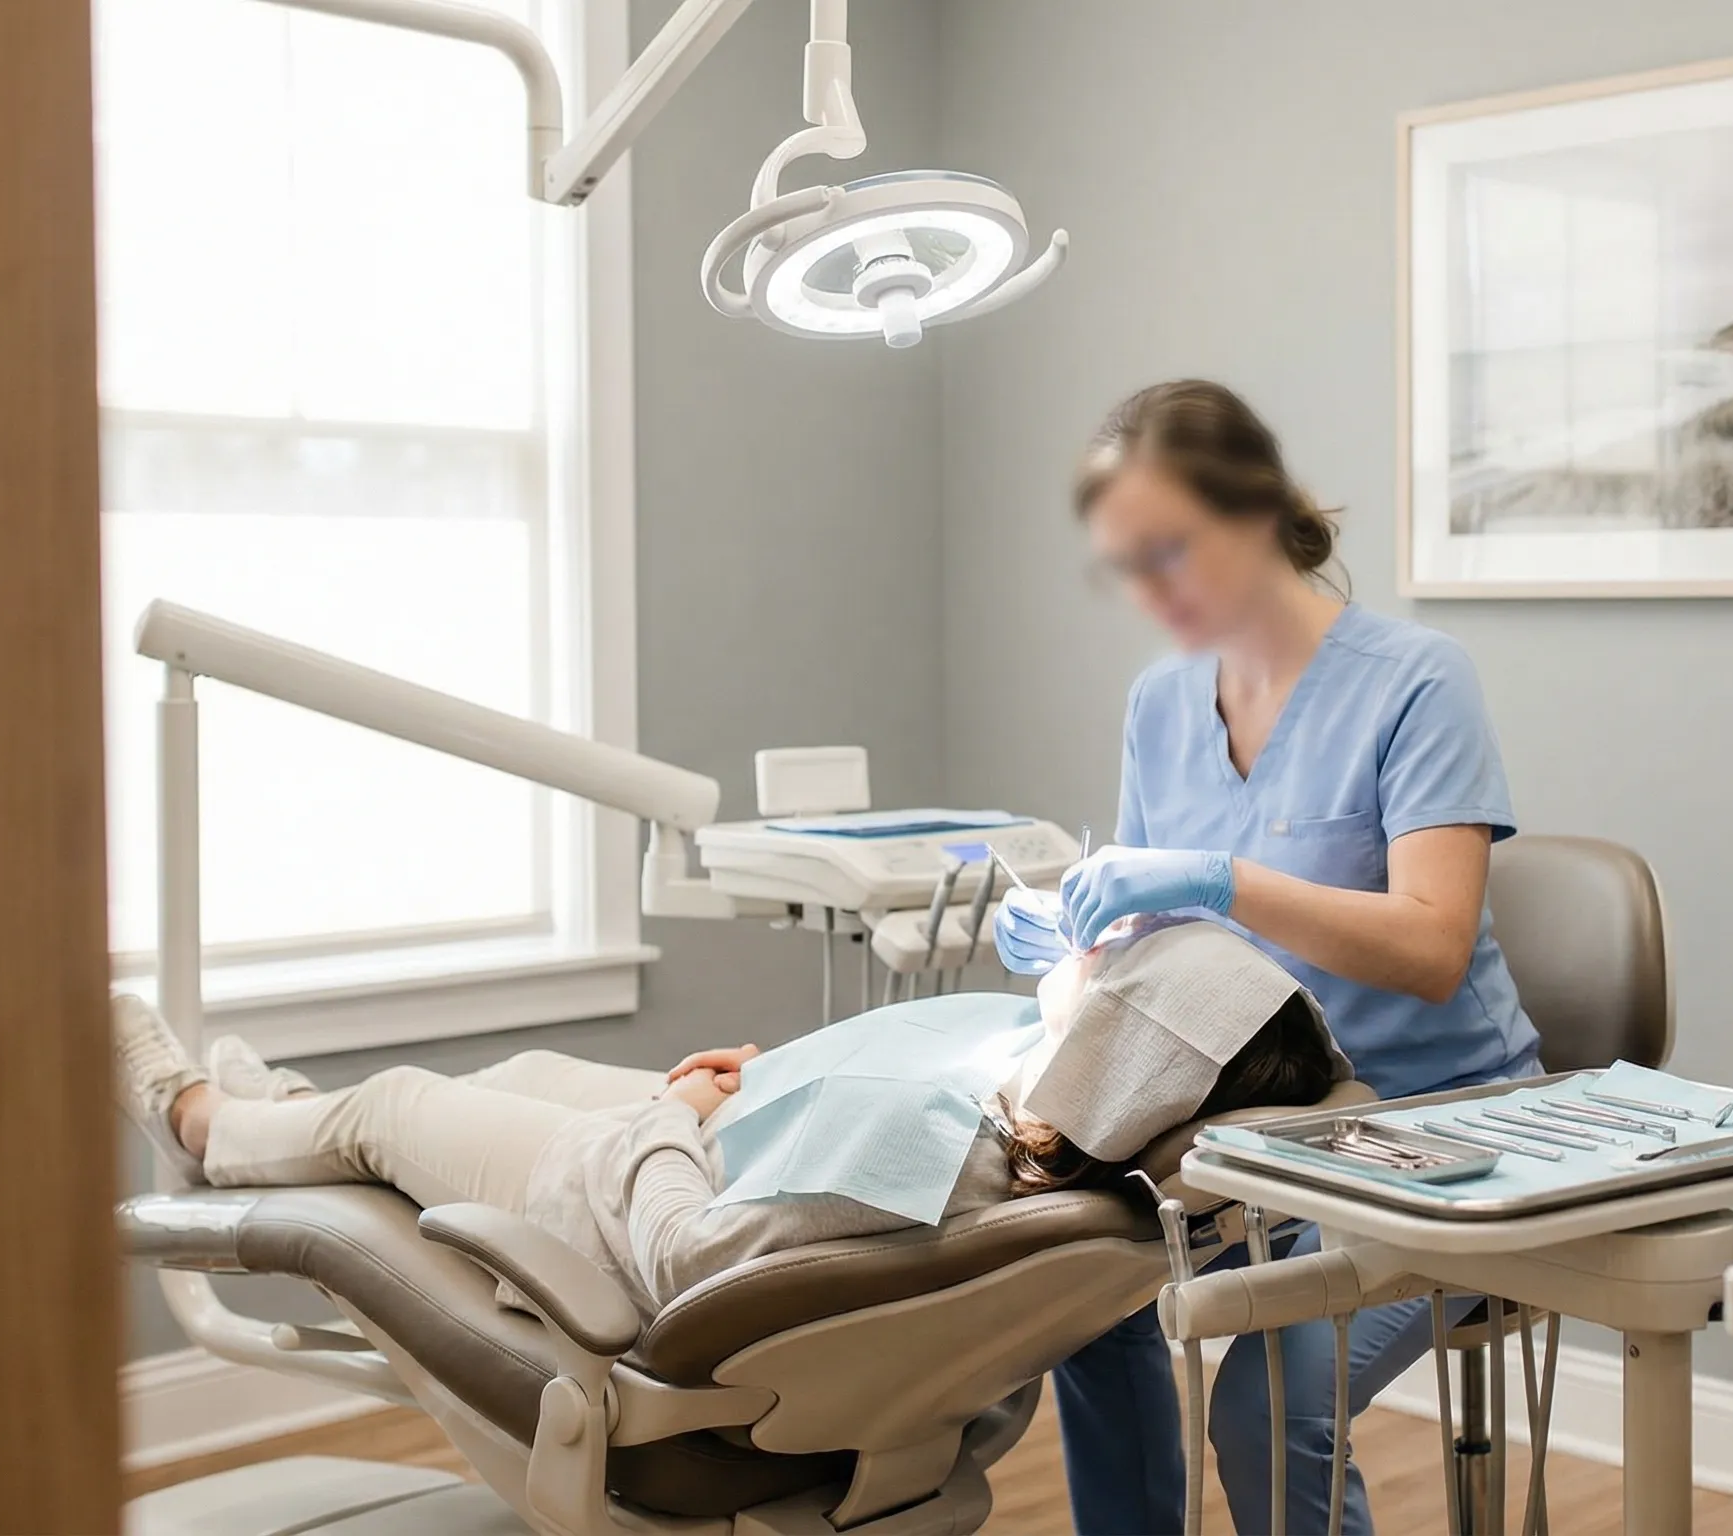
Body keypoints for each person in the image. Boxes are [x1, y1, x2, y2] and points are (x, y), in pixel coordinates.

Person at [997, 378, 1542, 1535]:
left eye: (1169, 552)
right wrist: (1080, 932)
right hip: (1247, 1125)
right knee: (1079, 1310)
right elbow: (1160, 945)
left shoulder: (1416, 680)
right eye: (1125, 564)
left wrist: (1221, 879)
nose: (1148, 591)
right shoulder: (1159, 702)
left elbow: (1435, 950)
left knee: (1267, 1404)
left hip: (1442, 1129)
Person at [110, 916, 1340, 1336]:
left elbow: (692, 1257)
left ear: (1129, 1050)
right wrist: (771, 1080)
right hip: (720, 1131)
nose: (1105, 947)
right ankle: (283, 1119)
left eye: (1126, 962)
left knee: (390, 1115)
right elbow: (883, 1095)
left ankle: (204, 1124)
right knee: (530, 1058)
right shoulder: (1056, 1120)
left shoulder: (933, 1159)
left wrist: (672, 1116)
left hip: (627, 1198)